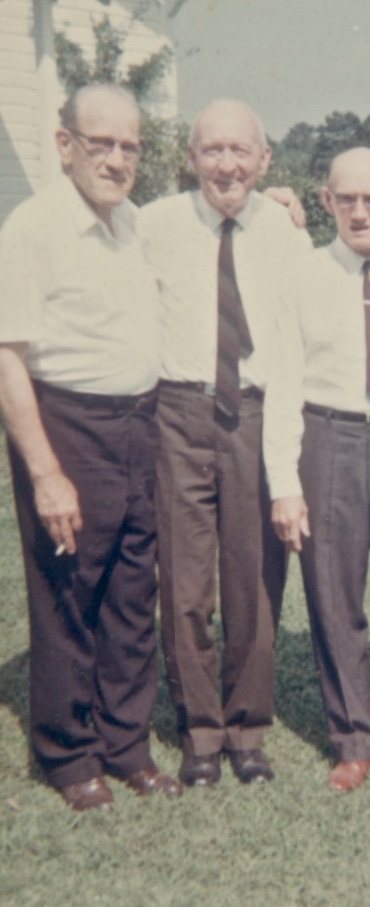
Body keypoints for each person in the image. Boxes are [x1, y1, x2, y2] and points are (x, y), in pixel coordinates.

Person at [0, 83, 182, 810]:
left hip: (140, 424)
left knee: (133, 592)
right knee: (68, 588)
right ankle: (69, 753)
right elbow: (6, 355)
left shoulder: (135, 223)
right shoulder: (33, 227)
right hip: (69, 424)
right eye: (100, 143)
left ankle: (127, 745)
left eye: (129, 146)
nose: (116, 158)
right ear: (64, 145)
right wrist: (46, 471)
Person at [138, 99, 312, 787]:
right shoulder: (153, 224)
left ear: (265, 160)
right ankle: (200, 732)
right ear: (190, 158)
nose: (226, 164)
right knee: (185, 582)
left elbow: (293, 351)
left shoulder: (286, 235)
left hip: (255, 413)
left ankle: (248, 729)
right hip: (179, 412)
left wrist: (285, 469)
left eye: (241, 150)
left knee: (254, 580)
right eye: (212, 150)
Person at [264, 147, 370, 795]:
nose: (359, 212)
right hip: (327, 438)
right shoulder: (299, 278)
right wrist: (285, 484)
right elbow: (282, 382)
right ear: (326, 200)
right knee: (333, 595)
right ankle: (354, 737)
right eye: (346, 199)